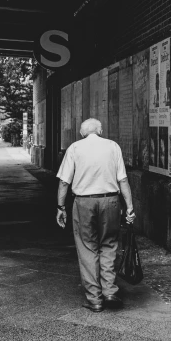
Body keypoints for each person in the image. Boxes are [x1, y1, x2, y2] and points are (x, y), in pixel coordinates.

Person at [56, 118, 135, 313]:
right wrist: (130, 206)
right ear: (100, 130)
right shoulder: (113, 147)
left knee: (87, 247)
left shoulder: (74, 148)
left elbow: (64, 182)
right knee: (109, 243)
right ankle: (109, 291)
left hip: (84, 202)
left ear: (82, 133)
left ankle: (95, 299)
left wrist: (60, 207)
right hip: (111, 201)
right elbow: (123, 179)